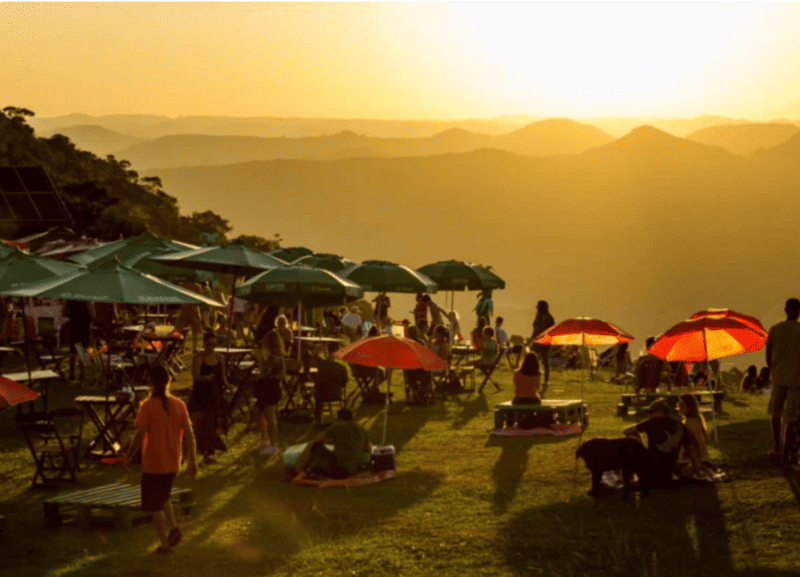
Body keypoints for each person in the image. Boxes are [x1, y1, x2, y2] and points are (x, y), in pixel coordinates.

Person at [124, 364, 197, 555]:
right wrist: (192, 460)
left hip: (153, 463)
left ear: (151, 383)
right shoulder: (179, 404)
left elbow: (139, 435)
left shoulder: (147, 406)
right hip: (173, 462)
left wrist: (129, 456)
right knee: (164, 497)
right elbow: (189, 434)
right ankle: (174, 528)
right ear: (169, 380)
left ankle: (164, 544)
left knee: (155, 506)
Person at [766, 298, 800, 467]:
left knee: (776, 414)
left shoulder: (775, 329)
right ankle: (787, 451)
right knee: (791, 418)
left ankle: (777, 449)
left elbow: (768, 356)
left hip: (779, 377)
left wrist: (774, 369)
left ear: (785, 310)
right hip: (797, 380)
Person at [295, 408, 372, 479]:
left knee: (313, 445)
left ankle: (297, 471)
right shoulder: (362, 430)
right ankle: (314, 468)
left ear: (340, 419)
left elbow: (317, 439)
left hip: (338, 468)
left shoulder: (338, 426)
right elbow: (368, 449)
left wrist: (327, 441)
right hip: (352, 469)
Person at [623, 399, 686, 489]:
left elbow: (626, 431)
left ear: (661, 411)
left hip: (651, 467)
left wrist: (639, 439)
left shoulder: (651, 423)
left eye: (651, 412)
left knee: (628, 446)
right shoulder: (678, 425)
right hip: (668, 471)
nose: (649, 414)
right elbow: (688, 447)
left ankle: (632, 479)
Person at [189, 331, 228, 465]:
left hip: (214, 394)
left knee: (211, 425)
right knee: (196, 424)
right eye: (209, 344)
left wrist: (228, 386)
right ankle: (194, 452)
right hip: (200, 393)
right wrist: (207, 377)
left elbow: (223, 377)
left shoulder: (220, 358)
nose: (212, 347)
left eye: (214, 344)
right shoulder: (199, 358)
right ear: (204, 344)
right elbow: (196, 377)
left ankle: (208, 454)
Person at [253, 330, 284, 454]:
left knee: (270, 417)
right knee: (260, 414)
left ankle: (273, 445)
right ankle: (265, 440)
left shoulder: (272, 359)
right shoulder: (278, 357)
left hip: (270, 388)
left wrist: (259, 360)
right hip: (269, 387)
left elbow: (264, 374)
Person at [676, 393, 717, 479]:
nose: (680, 408)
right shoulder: (690, 419)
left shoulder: (692, 421)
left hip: (692, 455)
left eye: (682, 405)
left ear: (689, 406)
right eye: (679, 405)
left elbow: (700, 441)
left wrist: (703, 459)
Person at [312, 343, 349, 427]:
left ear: (328, 351)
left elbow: (313, 355)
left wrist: (321, 347)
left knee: (318, 393)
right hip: (336, 394)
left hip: (321, 394)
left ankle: (318, 419)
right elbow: (344, 384)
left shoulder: (321, 364)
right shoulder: (341, 368)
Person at [65, 299, 95, 381]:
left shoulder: (69, 298)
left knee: (74, 351)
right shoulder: (87, 299)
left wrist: (73, 315)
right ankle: (82, 374)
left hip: (74, 325)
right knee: (83, 350)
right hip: (84, 325)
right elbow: (92, 314)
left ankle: (71, 373)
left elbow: (64, 312)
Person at [527, 301, 555, 386]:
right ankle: (534, 377)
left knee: (543, 361)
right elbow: (535, 331)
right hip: (540, 342)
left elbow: (550, 331)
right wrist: (530, 341)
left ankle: (544, 380)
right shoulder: (542, 317)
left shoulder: (547, 318)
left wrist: (531, 341)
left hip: (544, 342)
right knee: (537, 360)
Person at [175, 282, 203, 353]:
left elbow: (178, 297)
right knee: (194, 332)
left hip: (184, 311)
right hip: (194, 311)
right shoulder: (197, 286)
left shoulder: (181, 285)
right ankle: (194, 348)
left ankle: (181, 347)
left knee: (182, 331)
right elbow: (199, 299)